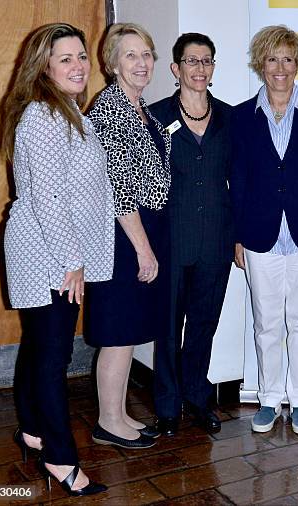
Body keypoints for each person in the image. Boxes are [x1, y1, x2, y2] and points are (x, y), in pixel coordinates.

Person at [1, 23, 113, 496]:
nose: (78, 66)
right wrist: (72, 261)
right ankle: (61, 459)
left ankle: (32, 429)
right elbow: (47, 197)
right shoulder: (44, 116)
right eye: (65, 58)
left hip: (51, 248)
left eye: (80, 56)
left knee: (40, 347)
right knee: (53, 356)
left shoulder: (66, 111)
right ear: (43, 66)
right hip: (47, 251)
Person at [231, 25, 298, 435]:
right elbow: (236, 179)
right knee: (266, 323)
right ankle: (269, 399)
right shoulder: (241, 117)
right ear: (262, 64)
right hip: (259, 234)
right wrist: (237, 236)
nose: (280, 67)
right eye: (272, 59)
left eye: (288, 59)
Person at [86, 23, 171, 449]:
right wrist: (143, 249)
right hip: (122, 235)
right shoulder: (108, 109)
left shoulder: (141, 108)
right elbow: (119, 188)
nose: (142, 63)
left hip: (142, 228)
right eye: (131, 55)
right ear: (113, 62)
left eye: (147, 55)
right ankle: (107, 422)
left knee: (129, 330)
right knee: (118, 332)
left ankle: (118, 416)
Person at [148, 33, 233, 435]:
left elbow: (242, 183)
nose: (200, 69)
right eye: (192, 61)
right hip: (171, 240)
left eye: (207, 61)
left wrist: (239, 237)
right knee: (167, 327)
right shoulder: (154, 116)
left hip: (216, 239)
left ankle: (197, 397)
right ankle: (166, 406)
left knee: (204, 324)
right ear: (175, 67)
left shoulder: (231, 118)